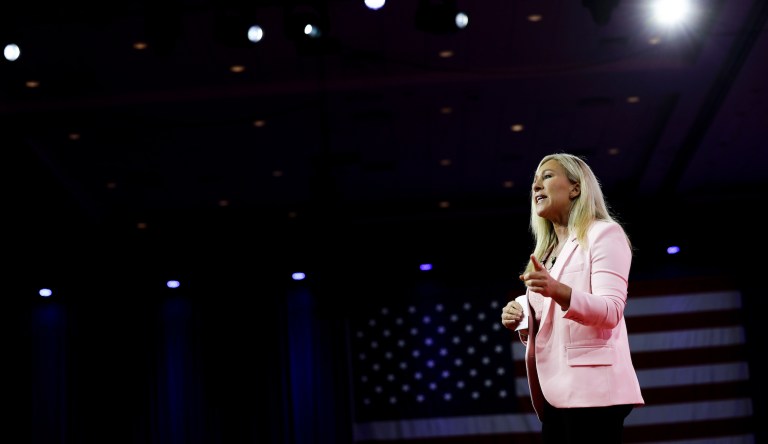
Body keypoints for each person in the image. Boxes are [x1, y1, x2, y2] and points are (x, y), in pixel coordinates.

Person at [500, 152, 644, 443]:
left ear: (576, 188)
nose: (536, 186)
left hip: (593, 393)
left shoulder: (604, 234)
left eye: (548, 176)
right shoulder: (546, 252)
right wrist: (522, 316)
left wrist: (558, 291)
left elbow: (611, 310)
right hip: (555, 394)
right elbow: (553, 324)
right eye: (535, 182)